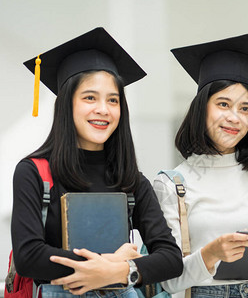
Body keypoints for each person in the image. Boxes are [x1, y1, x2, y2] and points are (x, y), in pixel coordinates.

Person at [11, 27, 183, 297]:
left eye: (112, 100)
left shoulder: (131, 180)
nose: (103, 109)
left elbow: (171, 258)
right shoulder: (34, 172)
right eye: (90, 97)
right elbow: (28, 256)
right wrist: (110, 265)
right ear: (67, 104)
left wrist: (118, 272)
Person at [153, 34, 248, 298]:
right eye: (223, 104)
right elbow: (168, 282)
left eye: (245, 108)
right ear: (201, 108)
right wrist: (210, 255)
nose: (234, 118)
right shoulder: (172, 183)